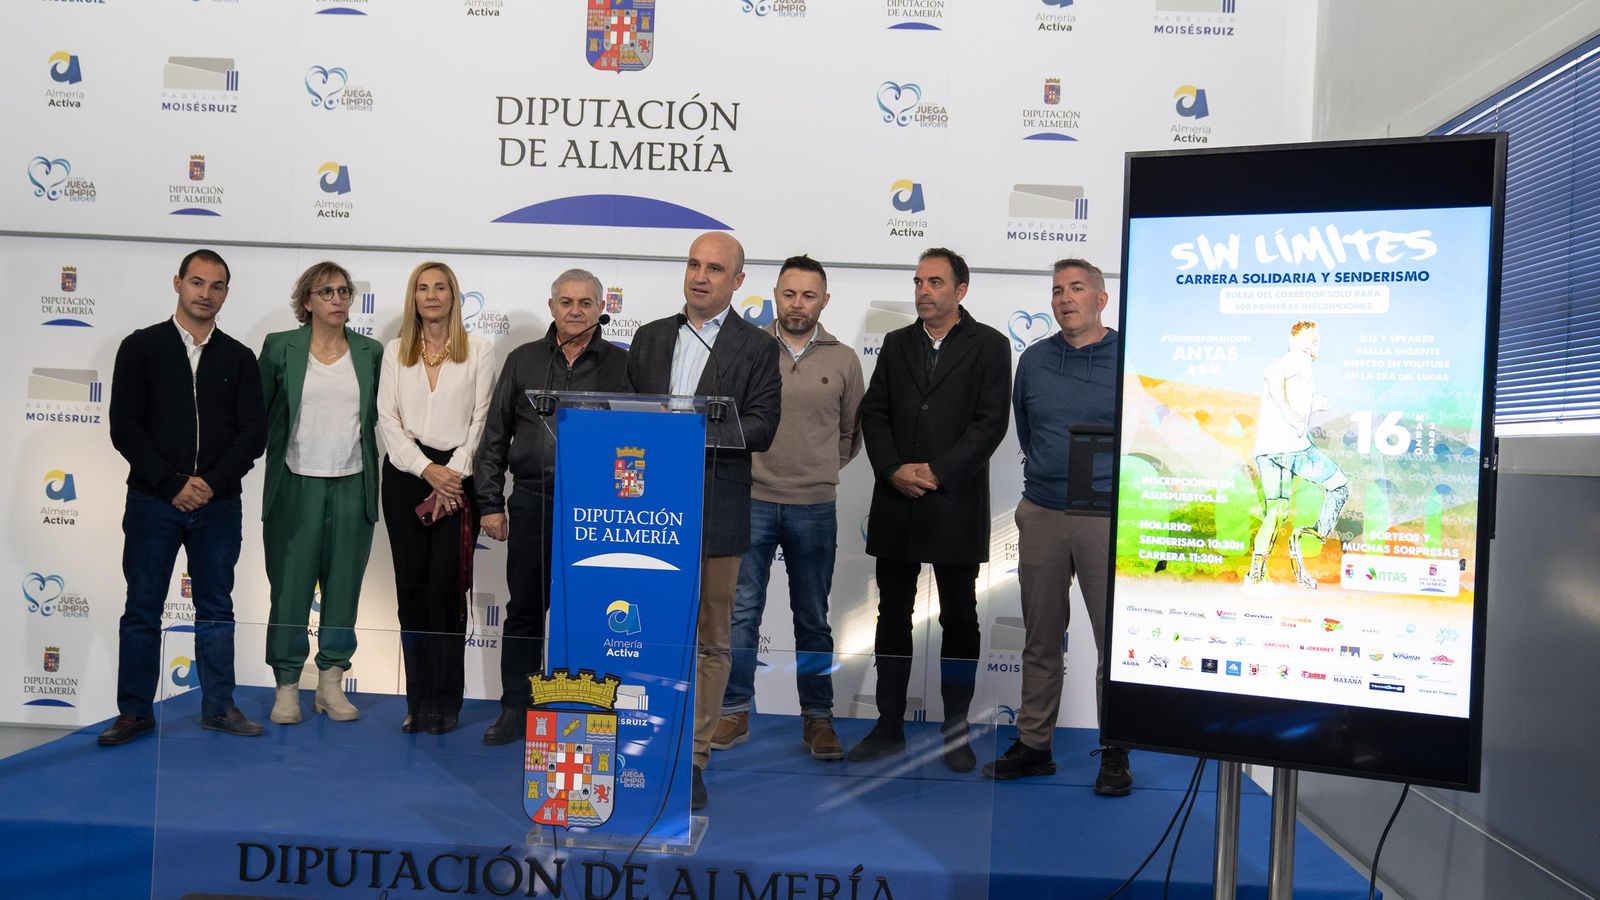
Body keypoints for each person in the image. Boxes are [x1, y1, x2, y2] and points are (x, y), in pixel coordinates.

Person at [626, 232, 782, 809]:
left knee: (712, 640)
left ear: (738, 281)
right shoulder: (648, 338)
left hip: (717, 508)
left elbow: (762, 427)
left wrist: (687, 434)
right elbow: (624, 421)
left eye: (715, 269)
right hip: (642, 513)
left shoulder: (757, 348)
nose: (700, 276)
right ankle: (639, 745)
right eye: (694, 264)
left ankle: (693, 758)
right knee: (642, 631)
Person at [100, 249, 268, 745]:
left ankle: (219, 706)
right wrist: (173, 483)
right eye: (197, 282)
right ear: (177, 284)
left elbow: (252, 434)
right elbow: (124, 427)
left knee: (216, 607)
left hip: (218, 506)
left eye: (216, 286)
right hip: (153, 502)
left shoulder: (239, 357)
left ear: (226, 293)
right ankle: (135, 712)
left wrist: (211, 483)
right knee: (143, 608)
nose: (205, 293)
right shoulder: (140, 347)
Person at [852, 247, 1010, 772]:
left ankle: (954, 730)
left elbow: (990, 424)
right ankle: (889, 724)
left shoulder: (990, 345)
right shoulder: (896, 344)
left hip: (954, 502)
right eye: (919, 281)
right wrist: (894, 467)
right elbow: (873, 413)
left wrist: (938, 471)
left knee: (960, 618)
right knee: (891, 614)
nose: (923, 290)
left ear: (960, 291)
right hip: (898, 500)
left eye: (935, 282)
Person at [981, 259, 1129, 794]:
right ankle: (1035, 745)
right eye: (1058, 290)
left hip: (1106, 517)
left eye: (1078, 289)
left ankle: (1115, 751)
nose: (1066, 298)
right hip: (1042, 510)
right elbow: (1027, 428)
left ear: (1101, 299)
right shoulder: (1036, 361)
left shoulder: (1129, 356)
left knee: (1113, 642)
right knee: (1041, 637)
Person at [710, 255, 865, 761]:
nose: (797, 304)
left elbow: (850, 434)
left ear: (824, 300)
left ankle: (818, 720)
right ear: (774, 295)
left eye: (808, 295)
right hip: (749, 499)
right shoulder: (747, 349)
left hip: (814, 505)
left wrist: (817, 467)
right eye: (788, 294)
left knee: (813, 617)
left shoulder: (843, 359)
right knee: (741, 614)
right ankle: (733, 711)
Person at [475, 268, 630, 746]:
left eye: (585, 303)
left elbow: (637, 439)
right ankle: (514, 708)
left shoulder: (624, 366)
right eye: (567, 302)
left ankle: (582, 708)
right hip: (532, 502)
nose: (576, 310)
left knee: (588, 613)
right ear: (552, 307)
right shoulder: (523, 360)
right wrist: (488, 503)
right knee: (523, 609)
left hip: (595, 513)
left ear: (601, 309)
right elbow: (494, 436)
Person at [259, 261, 384, 725]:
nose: (337, 299)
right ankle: (287, 684)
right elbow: (257, 415)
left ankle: (331, 682)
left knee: (344, 588)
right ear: (307, 301)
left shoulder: (370, 352)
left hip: (353, 483)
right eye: (326, 291)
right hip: (295, 483)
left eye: (344, 291)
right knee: (289, 589)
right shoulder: (279, 348)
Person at [377, 261, 495, 736]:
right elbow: (387, 419)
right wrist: (425, 468)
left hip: (456, 480)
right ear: (414, 297)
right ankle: (418, 701)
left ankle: (447, 702)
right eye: (422, 288)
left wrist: (453, 473)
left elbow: (482, 421)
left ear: (454, 296)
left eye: (440, 287)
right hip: (407, 478)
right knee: (412, 593)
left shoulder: (480, 350)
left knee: (447, 594)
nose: (431, 295)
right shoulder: (394, 352)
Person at [1246, 320, 1348, 590]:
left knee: (1276, 512)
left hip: (1267, 450)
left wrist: (1311, 406)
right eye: (1313, 339)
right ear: (1302, 341)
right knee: (1339, 486)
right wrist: (1289, 413)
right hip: (1293, 448)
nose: (1316, 344)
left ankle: (1256, 572)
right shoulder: (1299, 360)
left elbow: (1284, 392)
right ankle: (1308, 536)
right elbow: (1272, 375)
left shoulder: (1293, 362)